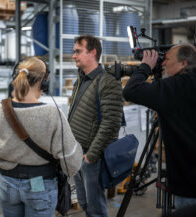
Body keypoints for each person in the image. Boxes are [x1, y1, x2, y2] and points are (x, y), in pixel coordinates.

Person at [0, 57, 83, 217]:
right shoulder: (52, 114)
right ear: (43, 82)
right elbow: (70, 160)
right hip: (39, 184)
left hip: (7, 183)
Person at [123, 44, 196, 209]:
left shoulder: (173, 88)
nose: (163, 64)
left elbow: (130, 90)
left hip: (188, 185)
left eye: (167, 59)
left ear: (183, 63)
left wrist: (146, 66)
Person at [68, 35, 123, 217]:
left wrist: (91, 156)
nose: (74, 55)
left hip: (92, 155)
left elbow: (111, 123)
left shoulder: (107, 82)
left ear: (93, 52)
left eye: (78, 51)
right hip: (77, 151)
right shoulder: (81, 80)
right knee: (84, 202)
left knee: (96, 207)